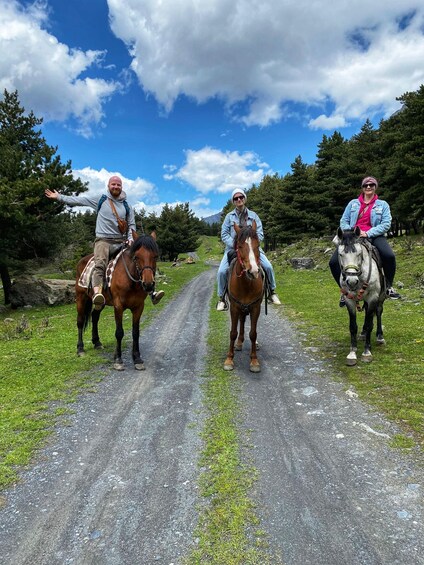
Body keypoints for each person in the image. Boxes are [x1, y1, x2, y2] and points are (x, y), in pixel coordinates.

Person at [45, 176, 164, 309]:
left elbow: (131, 225)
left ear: (121, 187)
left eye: (118, 185)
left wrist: (131, 238)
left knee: (142, 260)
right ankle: (97, 294)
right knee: (100, 264)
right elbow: (79, 201)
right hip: (103, 241)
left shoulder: (127, 206)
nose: (116, 187)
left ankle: (151, 292)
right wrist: (59, 197)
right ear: (108, 186)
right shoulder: (101, 200)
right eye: (113, 184)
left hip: (121, 242)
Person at [329, 175, 401, 306]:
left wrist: (367, 233)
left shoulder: (382, 205)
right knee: (333, 263)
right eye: (365, 185)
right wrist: (350, 232)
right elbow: (343, 220)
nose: (368, 187)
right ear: (362, 188)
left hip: (374, 235)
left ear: (375, 187)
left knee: (389, 256)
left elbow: (386, 224)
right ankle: (344, 291)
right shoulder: (353, 204)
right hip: (352, 237)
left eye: (371, 185)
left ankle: (388, 287)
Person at [216, 188, 281, 311]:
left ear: (244, 199)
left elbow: (260, 233)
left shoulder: (254, 216)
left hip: (253, 248)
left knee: (268, 266)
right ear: (233, 201)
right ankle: (222, 298)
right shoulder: (229, 217)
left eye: (241, 197)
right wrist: (235, 245)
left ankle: (272, 292)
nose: (239, 199)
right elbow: (224, 234)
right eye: (236, 198)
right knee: (221, 272)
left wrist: (252, 244)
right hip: (233, 248)